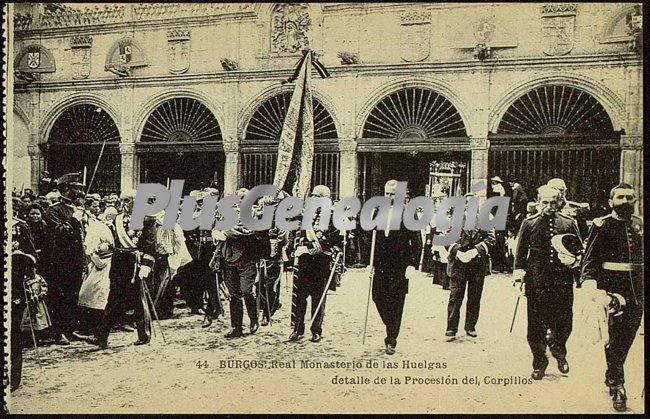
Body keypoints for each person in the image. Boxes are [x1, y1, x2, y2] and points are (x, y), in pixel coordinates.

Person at [580, 183, 643, 412]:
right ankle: (618, 384)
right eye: (621, 197)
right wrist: (590, 285)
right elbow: (590, 259)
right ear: (611, 201)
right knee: (615, 339)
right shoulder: (601, 225)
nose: (626, 201)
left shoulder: (640, 225)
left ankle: (612, 373)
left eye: (630, 197)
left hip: (638, 291)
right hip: (611, 291)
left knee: (628, 338)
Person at [514, 185, 582, 380]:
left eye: (553, 202)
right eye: (545, 202)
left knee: (564, 321)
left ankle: (559, 350)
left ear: (559, 202)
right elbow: (520, 251)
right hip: (536, 280)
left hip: (562, 280)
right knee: (536, 324)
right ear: (538, 202)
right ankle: (539, 362)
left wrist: (577, 269)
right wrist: (519, 273)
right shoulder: (529, 223)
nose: (549, 206)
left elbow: (579, 251)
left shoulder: (569, 223)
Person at [88, 191, 157, 348]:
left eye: (128, 200)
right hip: (119, 262)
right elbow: (115, 240)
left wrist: (146, 265)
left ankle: (144, 334)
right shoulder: (118, 219)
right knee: (113, 300)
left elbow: (150, 244)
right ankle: (101, 337)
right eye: (122, 200)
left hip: (135, 263)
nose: (123, 203)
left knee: (139, 301)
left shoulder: (147, 218)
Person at [370, 180, 421, 355]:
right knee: (377, 296)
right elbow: (373, 239)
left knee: (396, 302)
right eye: (386, 194)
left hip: (400, 266)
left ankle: (391, 338)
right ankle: (390, 324)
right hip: (381, 265)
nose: (389, 197)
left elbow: (417, 242)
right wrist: (371, 262)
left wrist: (412, 265)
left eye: (393, 194)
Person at [289, 185, 343, 343]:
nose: (315, 199)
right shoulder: (306, 215)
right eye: (313, 196)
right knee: (300, 296)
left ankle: (316, 330)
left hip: (322, 262)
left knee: (318, 297)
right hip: (304, 261)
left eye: (318, 196)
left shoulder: (334, 217)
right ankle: (297, 328)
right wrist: (295, 248)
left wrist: (315, 247)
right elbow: (297, 234)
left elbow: (336, 241)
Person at [215, 189, 270, 339]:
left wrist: (228, 232)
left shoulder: (256, 216)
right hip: (229, 260)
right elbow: (217, 231)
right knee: (234, 295)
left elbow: (251, 232)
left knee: (246, 291)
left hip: (248, 260)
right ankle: (236, 327)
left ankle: (253, 319)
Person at [445, 193, 495, 339]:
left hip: (477, 264)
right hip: (458, 264)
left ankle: (470, 326)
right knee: (455, 296)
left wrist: (476, 250)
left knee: (474, 296)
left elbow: (491, 239)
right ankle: (451, 328)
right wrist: (457, 252)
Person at [44, 173, 86, 345]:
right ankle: (57, 332)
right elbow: (61, 233)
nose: (79, 192)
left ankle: (69, 330)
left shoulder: (76, 208)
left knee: (72, 295)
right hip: (61, 261)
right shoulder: (53, 210)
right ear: (66, 189)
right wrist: (75, 220)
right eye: (76, 188)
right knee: (59, 297)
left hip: (75, 259)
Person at [74, 212, 115, 338]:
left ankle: (99, 330)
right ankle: (88, 327)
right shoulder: (83, 227)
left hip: (103, 265)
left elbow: (108, 247)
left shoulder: (99, 227)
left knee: (99, 294)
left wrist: (97, 252)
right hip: (92, 265)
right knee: (86, 294)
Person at [25, 204, 53, 277]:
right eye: (32, 214)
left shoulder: (44, 225)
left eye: (37, 214)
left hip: (42, 254)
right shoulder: (25, 225)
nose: (35, 216)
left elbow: (48, 241)